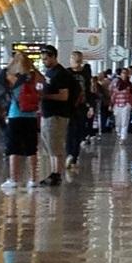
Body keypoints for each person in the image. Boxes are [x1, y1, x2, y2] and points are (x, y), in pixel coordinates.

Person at [1, 52, 42, 190]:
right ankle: (33, 179)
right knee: (31, 148)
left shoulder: (12, 76)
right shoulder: (33, 76)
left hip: (15, 115)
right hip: (31, 116)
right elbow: (43, 81)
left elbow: (2, 78)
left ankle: (14, 179)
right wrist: (33, 67)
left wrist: (11, 64)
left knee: (14, 148)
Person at [39, 45, 74, 186]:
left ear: (53, 56)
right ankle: (53, 172)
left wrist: (45, 96)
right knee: (50, 145)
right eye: (42, 59)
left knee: (56, 145)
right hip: (48, 113)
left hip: (57, 114)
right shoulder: (50, 72)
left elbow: (64, 96)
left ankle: (57, 173)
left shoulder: (60, 73)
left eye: (46, 59)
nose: (44, 61)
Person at [65, 51, 90, 168]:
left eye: (79, 60)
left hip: (82, 106)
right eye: (75, 60)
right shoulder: (67, 73)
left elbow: (88, 90)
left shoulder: (85, 73)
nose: (77, 63)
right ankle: (69, 154)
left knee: (79, 131)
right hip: (69, 106)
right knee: (70, 131)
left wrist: (90, 105)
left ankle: (74, 156)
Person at [110, 68, 132, 143]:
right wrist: (111, 104)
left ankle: (123, 137)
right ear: (120, 74)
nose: (124, 75)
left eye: (126, 73)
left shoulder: (129, 84)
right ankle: (118, 133)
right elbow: (113, 94)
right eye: (123, 73)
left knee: (125, 121)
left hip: (126, 104)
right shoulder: (116, 83)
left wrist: (131, 103)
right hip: (117, 104)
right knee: (118, 121)